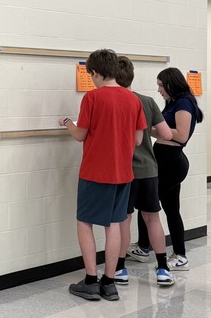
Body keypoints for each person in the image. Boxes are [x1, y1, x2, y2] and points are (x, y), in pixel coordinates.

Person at [58, 48, 146, 302]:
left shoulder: (92, 98)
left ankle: (90, 281)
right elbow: (139, 139)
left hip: (95, 172)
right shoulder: (133, 99)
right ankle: (109, 282)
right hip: (123, 172)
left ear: (95, 73)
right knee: (115, 224)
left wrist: (67, 123)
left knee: (84, 222)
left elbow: (80, 135)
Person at [114, 56, 175, 287]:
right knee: (153, 219)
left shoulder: (113, 101)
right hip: (148, 169)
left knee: (124, 221)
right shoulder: (148, 101)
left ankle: (120, 269)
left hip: (124, 171)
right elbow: (167, 135)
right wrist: (144, 129)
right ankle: (162, 268)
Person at [136, 67, 203, 271]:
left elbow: (181, 135)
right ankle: (170, 251)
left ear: (171, 83)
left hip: (171, 161)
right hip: (165, 159)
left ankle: (146, 247)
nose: (159, 90)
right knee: (169, 208)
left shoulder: (184, 102)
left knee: (148, 204)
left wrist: (149, 129)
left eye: (161, 85)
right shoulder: (174, 102)